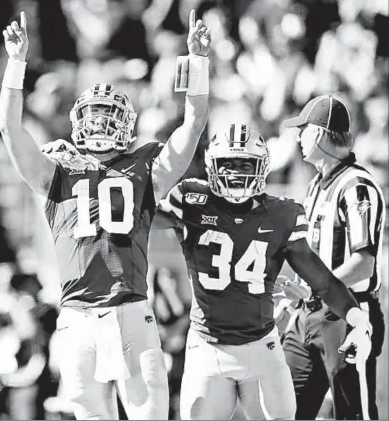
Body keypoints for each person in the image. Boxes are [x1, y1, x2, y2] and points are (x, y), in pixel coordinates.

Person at [0, 9, 211, 420]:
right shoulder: (58, 167)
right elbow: (9, 129)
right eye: (93, 115)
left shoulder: (142, 165)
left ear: (126, 125)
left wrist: (197, 61)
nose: (99, 123)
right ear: (78, 122)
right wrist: (17, 61)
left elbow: (192, 126)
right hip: (80, 317)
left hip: (126, 311)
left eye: (107, 116)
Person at [154, 123, 373, 420]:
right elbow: (140, 217)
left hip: (262, 348)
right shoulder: (191, 200)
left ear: (262, 168)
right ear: (211, 166)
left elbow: (322, 280)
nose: (235, 173)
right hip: (208, 348)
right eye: (227, 165)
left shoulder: (281, 213)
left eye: (245, 165)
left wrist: (357, 318)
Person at [281, 95, 386, 420]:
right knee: (283, 410)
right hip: (308, 316)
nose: (298, 137)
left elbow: (363, 262)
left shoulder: (357, 186)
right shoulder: (315, 185)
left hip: (348, 313)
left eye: (303, 129)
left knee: (353, 414)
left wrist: (315, 288)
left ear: (320, 133)